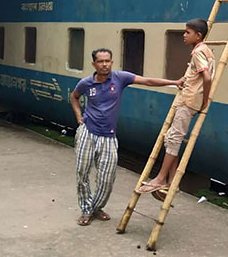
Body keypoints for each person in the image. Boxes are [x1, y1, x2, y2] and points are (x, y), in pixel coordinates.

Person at [70, 48, 183, 226]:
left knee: (107, 177)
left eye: (108, 61)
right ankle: (86, 210)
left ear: (112, 62)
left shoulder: (120, 78)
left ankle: (96, 207)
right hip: (88, 133)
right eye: (100, 61)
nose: (105, 64)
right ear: (94, 64)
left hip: (108, 136)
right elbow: (74, 97)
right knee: (82, 173)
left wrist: (175, 82)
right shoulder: (86, 83)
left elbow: (147, 81)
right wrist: (79, 117)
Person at [137, 19, 214, 197]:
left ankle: (160, 178)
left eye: (187, 32)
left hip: (189, 100)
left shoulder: (198, 52)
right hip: (190, 99)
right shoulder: (207, 51)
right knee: (171, 137)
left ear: (198, 35)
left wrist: (205, 99)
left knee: (173, 139)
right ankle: (171, 182)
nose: (184, 35)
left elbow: (207, 77)